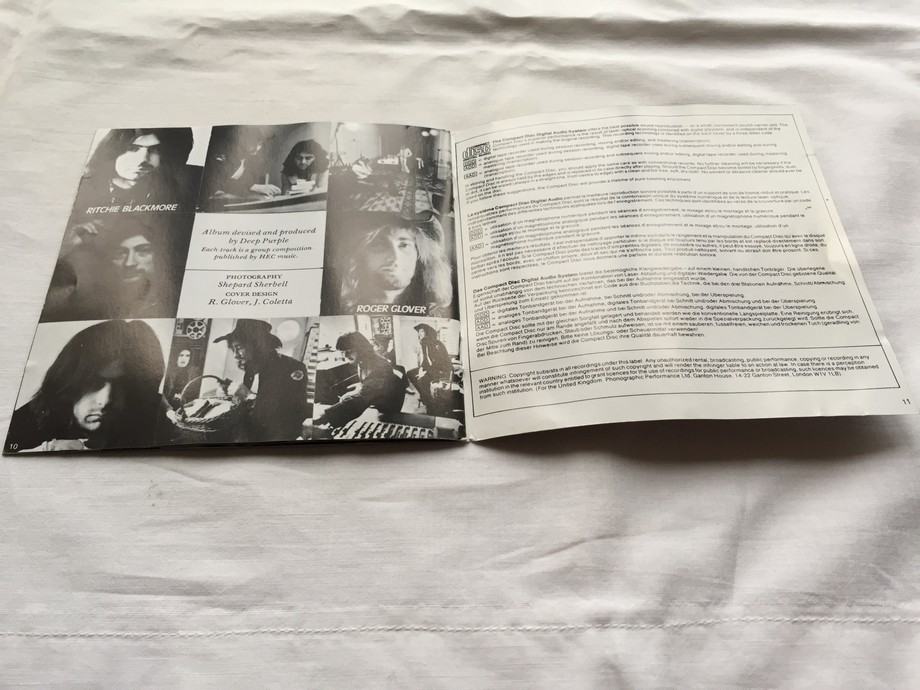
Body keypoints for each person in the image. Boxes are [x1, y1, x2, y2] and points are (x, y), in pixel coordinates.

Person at [6, 320, 168, 452]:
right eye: (96, 384)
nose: (105, 400)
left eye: (122, 386)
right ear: (69, 382)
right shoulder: (27, 421)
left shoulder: (155, 416)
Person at [41, 215, 187, 321]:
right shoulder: (92, 307)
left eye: (143, 251)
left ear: (158, 257)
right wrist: (68, 247)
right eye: (120, 254)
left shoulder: (176, 301)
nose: (130, 263)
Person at [337, 184, 454, 316]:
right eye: (379, 245)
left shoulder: (435, 311)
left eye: (404, 245)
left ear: (419, 254)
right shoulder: (340, 308)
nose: (395, 257)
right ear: (357, 254)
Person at [213, 319, 308, 441]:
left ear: (257, 346)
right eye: (233, 349)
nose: (235, 355)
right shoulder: (252, 368)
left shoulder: (293, 368)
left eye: (239, 347)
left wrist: (248, 396)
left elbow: (289, 416)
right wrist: (230, 395)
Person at [73, 127, 197, 214]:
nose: (143, 159)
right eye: (133, 148)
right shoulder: (83, 190)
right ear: (114, 150)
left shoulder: (182, 194)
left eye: (154, 150)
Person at [314, 331, 406, 428]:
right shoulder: (364, 361)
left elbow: (362, 399)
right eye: (342, 352)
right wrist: (361, 386)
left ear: (361, 349)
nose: (345, 356)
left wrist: (326, 416)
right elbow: (371, 383)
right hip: (377, 399)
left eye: (349, 351)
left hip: (388, 407)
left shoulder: (379, 366)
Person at [200, 126, 279, 207]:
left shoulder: (249, 161)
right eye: (253, 143)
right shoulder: (222, 155)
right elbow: (218, 185)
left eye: (260, 144)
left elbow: (242, 188)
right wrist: (253, 188)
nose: (257, 148)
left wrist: (261, 191)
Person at [406, 323, 453, 412]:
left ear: (427, 332)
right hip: (431, 369)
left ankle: (430, 404)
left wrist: (425, 372)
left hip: (441, 371)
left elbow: (439, 364)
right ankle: (425, 397)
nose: (419, 334)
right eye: (419, 332)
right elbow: (426, 360)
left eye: (422, 331)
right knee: (410, 373)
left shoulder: (437, 344)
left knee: (422, 379)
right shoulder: (424, 344)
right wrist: (421, 369)